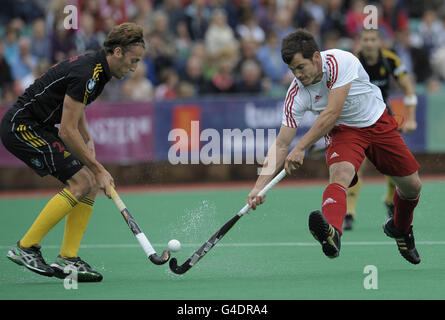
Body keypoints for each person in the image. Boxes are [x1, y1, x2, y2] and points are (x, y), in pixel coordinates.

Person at [247, 29, 422, 265]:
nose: (297, 75)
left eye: (301, 67)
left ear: (316, 58)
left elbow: (332, 111)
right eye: (292, 70)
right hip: (344, 132)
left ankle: (400, 228)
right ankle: (332, 233)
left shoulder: (341, 61)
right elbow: (281, 144)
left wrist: (301, 147)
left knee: (412, 186)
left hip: (376, 121)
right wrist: (259, 186)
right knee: (340, 175)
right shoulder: (296, 94)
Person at [0, 22, 146, 281]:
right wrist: (98, 168)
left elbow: (75, 112)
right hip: (22, 127)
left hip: (40, 127)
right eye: (133, 60)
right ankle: (26, 247)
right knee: (82, 180)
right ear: (117, 52)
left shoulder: (99, 71)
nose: (134, 68)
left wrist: (87, 137)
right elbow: (67, 132)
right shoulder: (89, 72)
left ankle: (68, 259)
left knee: (88, 184)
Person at [343, 28, 418, 230]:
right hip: (358, 118)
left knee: (394, 165)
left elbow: (408, 90)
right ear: (359, 42)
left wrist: (411, 119)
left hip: (383, 116)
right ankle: (349, 213)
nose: (368, 43)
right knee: (356, 166)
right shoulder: (352, 62)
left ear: (380, 42)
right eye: (365, 39)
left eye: (372, 39)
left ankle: (389, 199)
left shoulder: (390, 60)